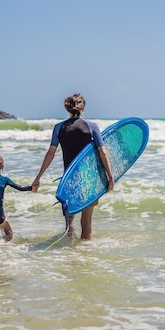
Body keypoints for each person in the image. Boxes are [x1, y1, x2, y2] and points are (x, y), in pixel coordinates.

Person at [31, 93, 114, 240]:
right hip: (89, 179)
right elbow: (103, 152)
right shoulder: (92, 126)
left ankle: (69, 252)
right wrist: (110, 177)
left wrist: (38, 178)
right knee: (86, 222)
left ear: (67, 109)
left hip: (69, 179)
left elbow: (50, 153)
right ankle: (84, 254)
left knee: (69, 223)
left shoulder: (58, 128)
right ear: (83, 108)